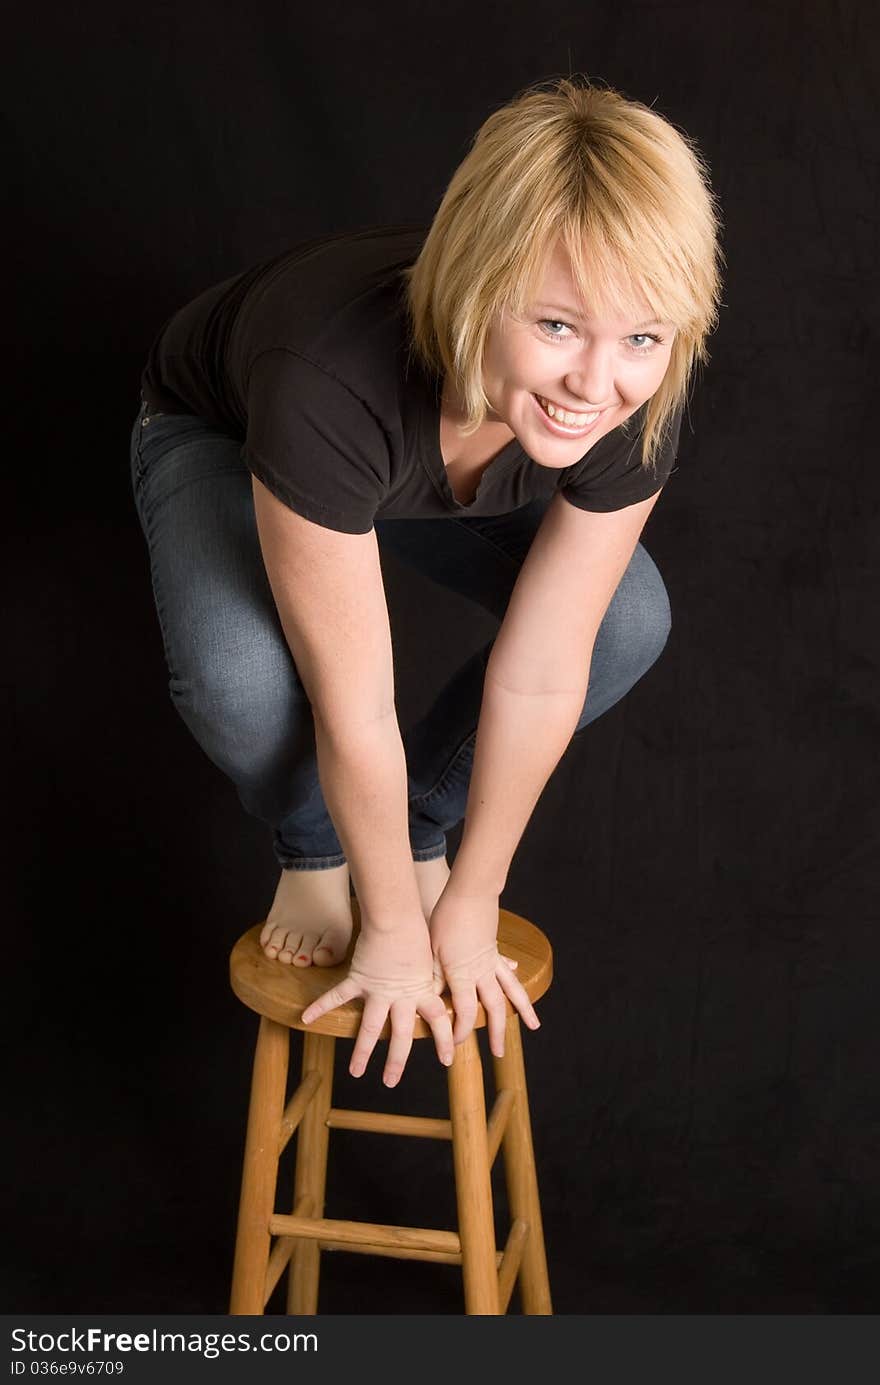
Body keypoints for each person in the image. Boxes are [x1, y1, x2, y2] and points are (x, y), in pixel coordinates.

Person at [130, 76, 722, 1089]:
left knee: (625, 616)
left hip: (429, 460)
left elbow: (541, 673)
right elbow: (351, 699)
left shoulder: (624, 399)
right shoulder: (330, 376)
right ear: (479, 281)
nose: (596, 383)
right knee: (239, 677)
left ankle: (414, 827)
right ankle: (310, 842)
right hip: (230, 433)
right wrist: (391, 932)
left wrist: (468, 893)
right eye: (555, 326)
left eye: (640, 337)